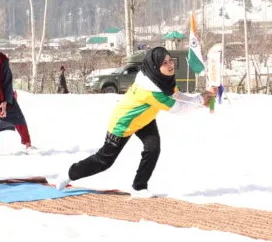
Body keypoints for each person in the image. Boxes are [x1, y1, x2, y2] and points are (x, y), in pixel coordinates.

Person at [56, 46, 216, 197]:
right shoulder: (151, 90)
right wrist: (201, 99)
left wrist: (201, 98)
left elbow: (177, 96)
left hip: (144, 120)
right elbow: (179, 109)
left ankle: (139, 187)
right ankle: (70, 173)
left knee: (153, 148)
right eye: (164, 63)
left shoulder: (161, 79)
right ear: (155, 67)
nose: (169, 65)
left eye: (170, 61)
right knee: (104, 161)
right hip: (123, 123)